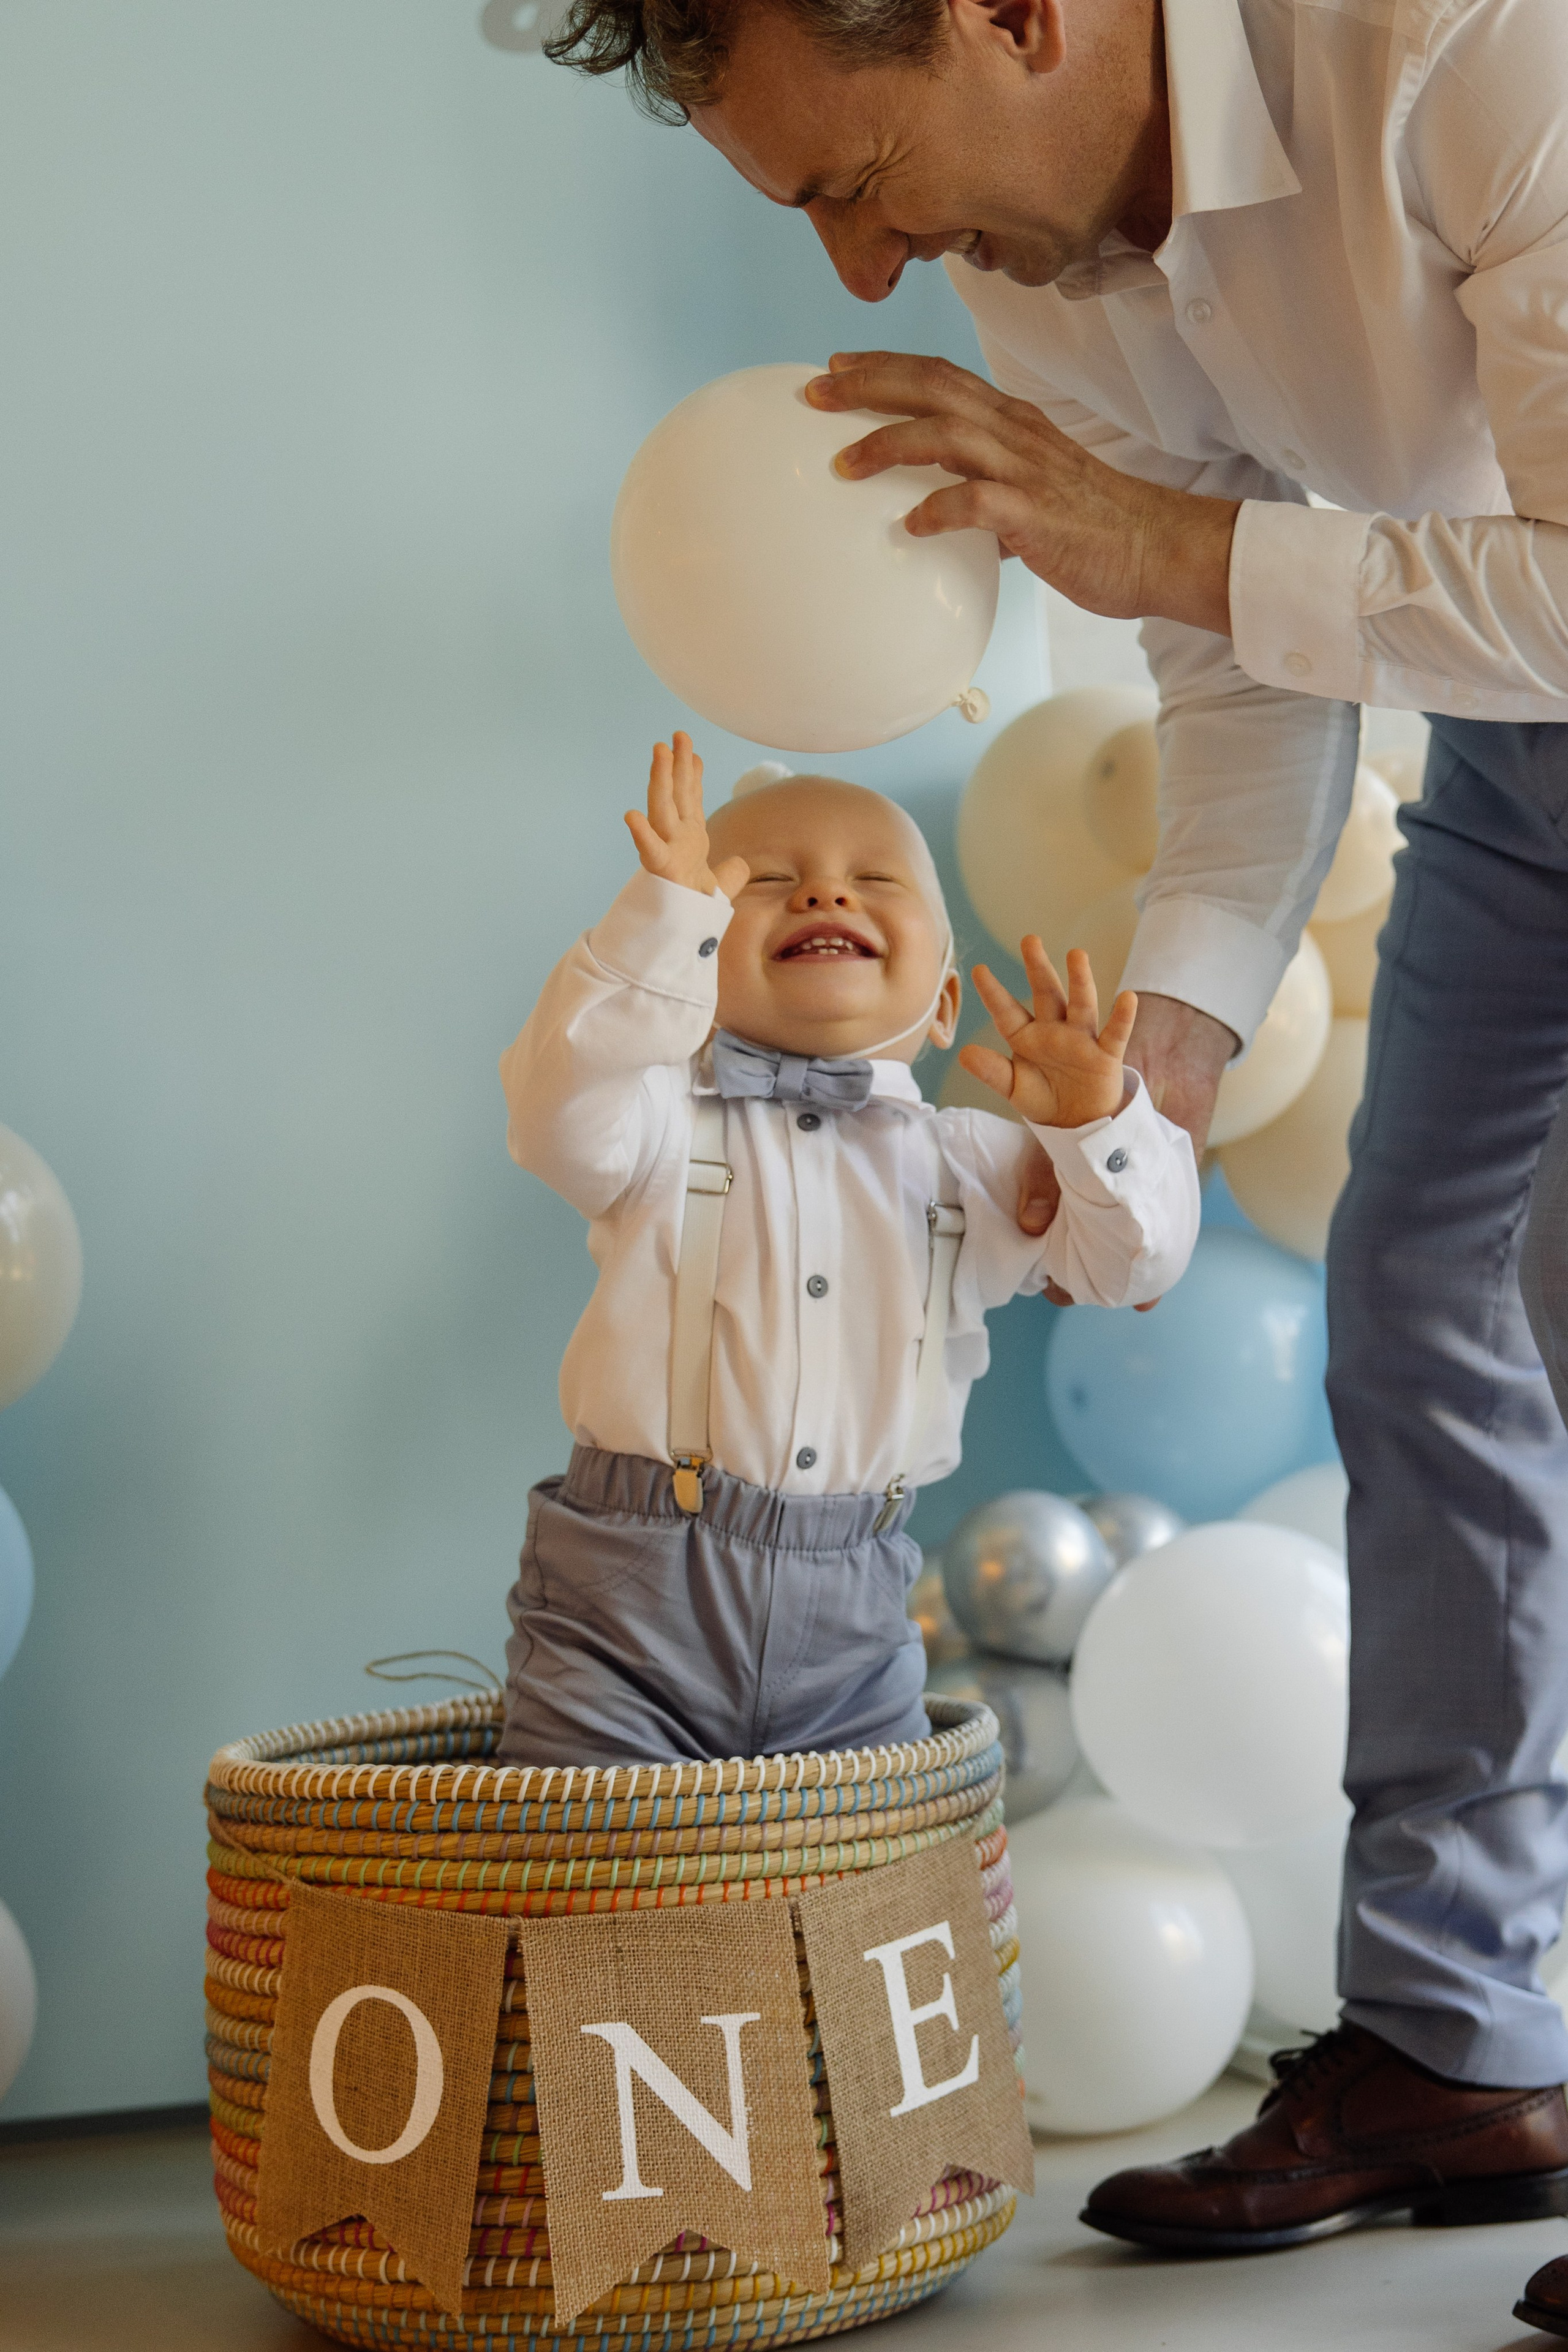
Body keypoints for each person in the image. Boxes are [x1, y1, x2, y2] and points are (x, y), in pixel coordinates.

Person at [543, 0, 1568, 2326]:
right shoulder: (1018, 219)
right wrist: (1165, 1086)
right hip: (1526, 761)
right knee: (1430, 1316)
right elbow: (1240, 666)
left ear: (1018, 14)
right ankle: (1458, 2039)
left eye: (851, 179)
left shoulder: (1467, 43)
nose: (865, 273)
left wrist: (1191, 543)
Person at [496, 731, 1197, 1766]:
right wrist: (664, 925)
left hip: (860, 1607)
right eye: (768, 881)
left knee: (857, 1886)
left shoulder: (974, 1165)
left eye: (872, 879)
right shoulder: (651, 1122)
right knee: (593, 1877)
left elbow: (1133, 1265)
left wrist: (1095, 1130)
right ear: (697, 974)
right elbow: (552, 1102)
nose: (826, 895)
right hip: (629, 1598)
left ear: (946, 1004)